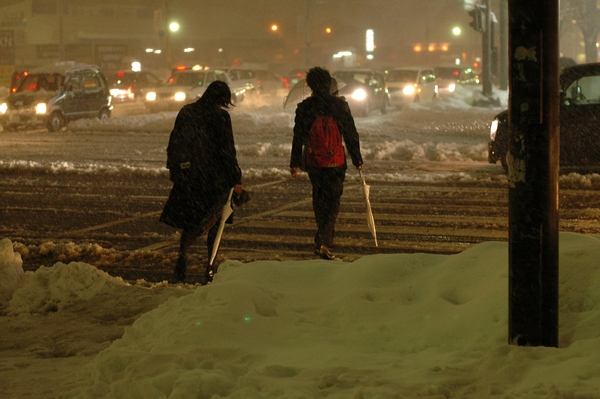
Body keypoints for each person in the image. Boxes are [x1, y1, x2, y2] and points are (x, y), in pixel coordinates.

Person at [160, 80, 244, 283]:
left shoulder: (187, 112)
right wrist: (236, 178)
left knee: (192, 220)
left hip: (189, 178)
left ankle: (183, 255)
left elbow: (175, 141)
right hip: (214, 179)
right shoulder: (221, 117)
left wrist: (175, 170)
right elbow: (227, 150)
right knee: (214, 221)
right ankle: (209, 266)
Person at [290, 67, 363, 260]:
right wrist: (357, 158)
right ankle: (324, 239)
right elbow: (350, 133)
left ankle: (322, 235)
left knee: (319, 198)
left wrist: (295, 162)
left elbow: (298, 137)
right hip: (336, 162)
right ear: (329, 84)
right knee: (333, 201)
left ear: (309, 85)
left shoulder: (304, 107)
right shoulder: (340, 105)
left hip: (314, 162)